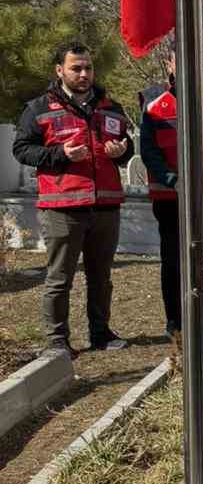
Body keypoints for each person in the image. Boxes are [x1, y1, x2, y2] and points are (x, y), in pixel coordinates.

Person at [12, 42, 134, 355]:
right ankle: (56, 341)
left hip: (105, 206)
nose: (83, 74)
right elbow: (22, 150)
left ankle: (101, 333)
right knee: (59, 279)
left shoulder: (111, 107)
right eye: (75, 68)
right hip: (62, 207)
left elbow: (126, 146)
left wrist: (122, 152)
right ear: (59, 71)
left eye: (88, 68)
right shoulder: (38, 109)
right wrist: (59, 154)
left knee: (101, 277)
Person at [140, 49, 203, 338]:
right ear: (169, 64)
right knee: (173, 261)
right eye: (178, 59)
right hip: (170, 200)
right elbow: (149, 151)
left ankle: (199, 315)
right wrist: (174, 181)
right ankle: (175, 323)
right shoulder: (153, 104)